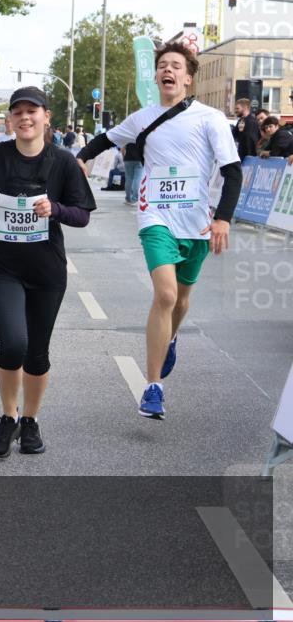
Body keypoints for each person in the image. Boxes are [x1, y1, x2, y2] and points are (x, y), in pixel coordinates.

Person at [76, 42, 242, 419]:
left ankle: (171, 338)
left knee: (182, 300)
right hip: (156, 217)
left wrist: (223, 218)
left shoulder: (209, 118)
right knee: (165, 295)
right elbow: (107, 139)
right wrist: (82, 158)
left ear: (188, 77)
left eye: (175, 66)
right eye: (162, 65)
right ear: (157, 76)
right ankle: (153, 387)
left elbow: (233, 172)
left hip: (196, 221)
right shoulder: (143, 117)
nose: (168, 70)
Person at [0, 87, 95, 458]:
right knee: (12, 344)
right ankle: (9, 417)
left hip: (46, 271)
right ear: (10, 119)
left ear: (46, 117)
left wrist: (54, 209)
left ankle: (31, 421)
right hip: (2, 268)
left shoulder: (63, 162)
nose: (25, 118)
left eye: (32, 111)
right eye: (18, 112)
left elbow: (82, 214)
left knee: (37, 353)